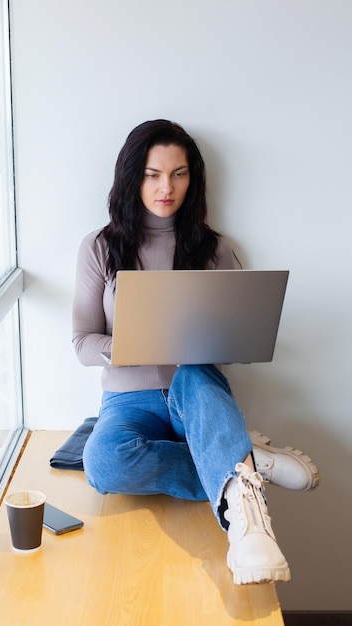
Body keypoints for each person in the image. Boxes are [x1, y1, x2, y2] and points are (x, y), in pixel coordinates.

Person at [72, 119, 318, 585]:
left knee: (196, 374)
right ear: (132, 176)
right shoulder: (100, 247)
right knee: (103, 463)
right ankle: (244, 461)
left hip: (196, 388)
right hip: (129, 400)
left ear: (193, 178)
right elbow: (83, 342)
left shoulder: (214, 248)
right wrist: (136, 346)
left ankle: (248, 529)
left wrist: (237, 339)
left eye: (179, 174)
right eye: (153, 174)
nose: (167, 187)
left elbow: (232, 339)